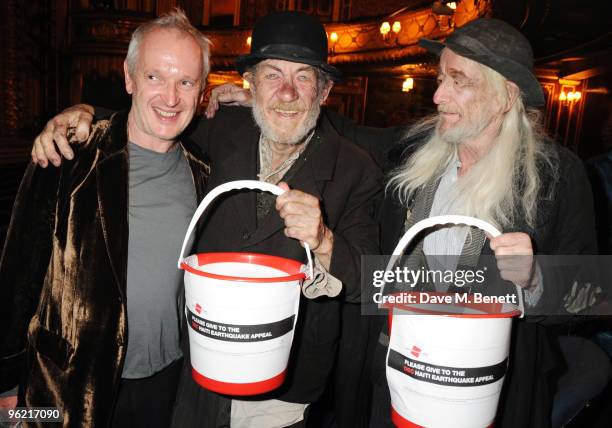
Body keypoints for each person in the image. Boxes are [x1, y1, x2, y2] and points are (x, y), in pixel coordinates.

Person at [200, 17, 603, 428]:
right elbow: (335, 128)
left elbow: (595, 294)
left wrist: (535, 279)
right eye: (441, 77)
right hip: (390, 379)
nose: (439, 94)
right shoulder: (414, 149)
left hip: (486, 392)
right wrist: (267, 100)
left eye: (458, 80)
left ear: (505, 95)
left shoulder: (555, 174)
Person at [28, 11, 383, 428]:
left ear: (323, 91)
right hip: (194, 370)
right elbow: (156, 114)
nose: (287, 92)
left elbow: (373, 281)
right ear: (252, 83)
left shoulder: (357, 168)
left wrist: (324, 240)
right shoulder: (221, 130)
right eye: (272, 75)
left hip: (280, 391)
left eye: (303, 77)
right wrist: (84, 111)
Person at [0, 9, 211, 427]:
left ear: (202, 92)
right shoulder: (66, 156)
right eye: (155, 77)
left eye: (185, 82)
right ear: (129, 78)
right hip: (65, 388)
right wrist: (7, 391)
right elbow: (15, 278)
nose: (171, 98)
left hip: (167, 384)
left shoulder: (202, 170)